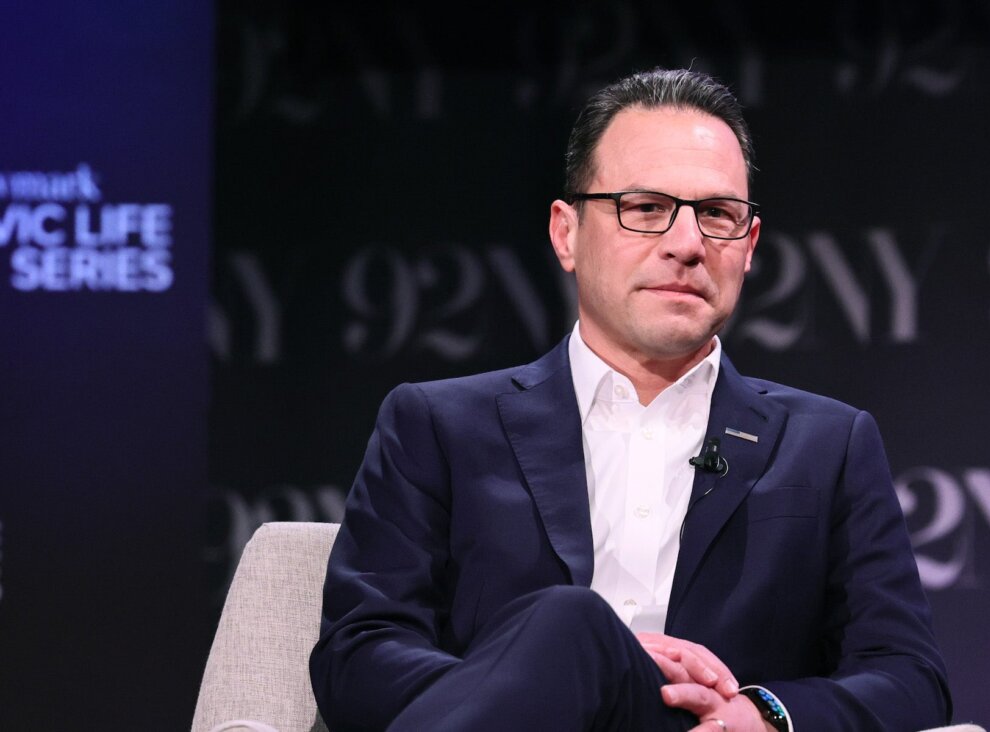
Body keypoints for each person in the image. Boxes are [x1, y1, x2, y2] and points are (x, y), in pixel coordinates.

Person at [310, 68, 951, 732]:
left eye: (717, 215)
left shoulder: (830, 446)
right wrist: (568, 675)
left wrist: (761, 713)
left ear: (750, 246)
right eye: (645, 208)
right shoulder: (437, 425)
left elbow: (908, 676)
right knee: (573, 623)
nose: (687, 244)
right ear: (566, 234)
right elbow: (357, 659)